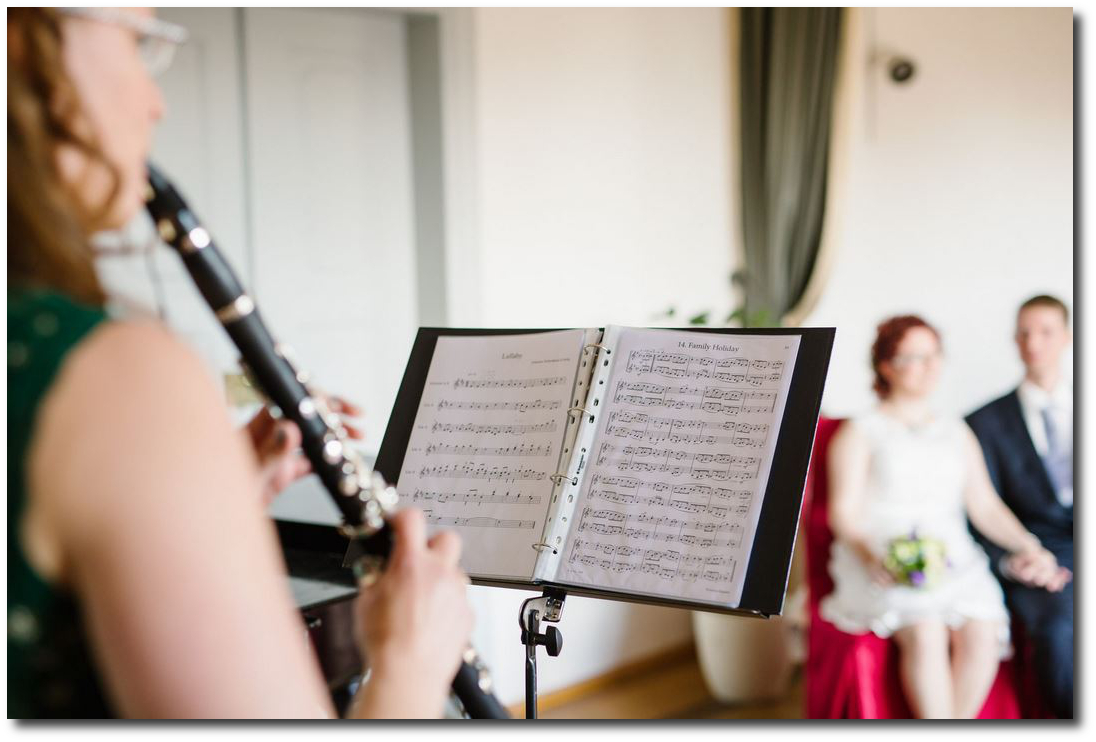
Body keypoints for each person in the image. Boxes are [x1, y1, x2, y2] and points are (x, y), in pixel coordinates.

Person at [8, 7, 472, 718]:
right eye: (137, 42)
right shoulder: (117, 378)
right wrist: (411, 664)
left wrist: (202, 506)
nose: (155, 100)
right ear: (16, 42)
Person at [820, 315, 1066, 719]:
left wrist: (1029, 546)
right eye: (916, 357)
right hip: (882, 556)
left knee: (983, 631)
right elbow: (842, 513)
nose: (931, 366)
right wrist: (870, 557)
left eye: (935, 355)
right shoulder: (861, 431)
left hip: (953, 558)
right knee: (927, 631)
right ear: (887, 366)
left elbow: (985, 506)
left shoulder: (956, 430)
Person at [965, 295, 1074, 718]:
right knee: (1059, 630)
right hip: (1037, 561)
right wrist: (1011, 561)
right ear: (1014, 340)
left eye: (1045, 331)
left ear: (1066, 337)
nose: (1034, 342)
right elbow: (978, 516)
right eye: (1024, 332)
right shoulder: (983, 423)